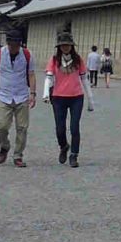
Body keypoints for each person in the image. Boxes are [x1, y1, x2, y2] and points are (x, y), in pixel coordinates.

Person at [0, 32, 34, 167]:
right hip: (4, 95)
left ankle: (18, 155)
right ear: (7, 44)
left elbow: (31, 74)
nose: (14, 48)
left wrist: (33, 93)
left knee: (22, 128)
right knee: (1, 126)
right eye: (12, 45)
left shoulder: (27, 55)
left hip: (22, 95)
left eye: (17, 45)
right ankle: (4, 146)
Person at [45, 38, 88, 167]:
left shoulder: (78, 60)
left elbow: (84, 79)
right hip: (58, 97)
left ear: (71, 46)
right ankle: (63, 146)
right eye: (63, 45)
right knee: (60, 128)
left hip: (76, 97)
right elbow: (49, 77)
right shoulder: (54, 60)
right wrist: (46, 93)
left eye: (68, 45)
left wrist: (90, 99)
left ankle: (74, 155)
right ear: (59, 47)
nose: (65, 47)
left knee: (74, 127)